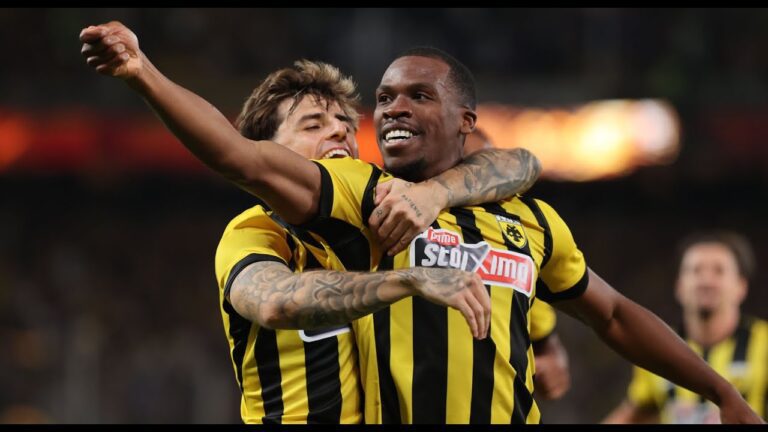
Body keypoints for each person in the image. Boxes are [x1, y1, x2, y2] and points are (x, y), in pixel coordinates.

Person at [80, 22, 762, 424]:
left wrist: (719, 391)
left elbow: (610, 312)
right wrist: (144, 74)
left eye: (416, 95)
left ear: (465, 121)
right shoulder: (362, 199)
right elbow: (239, 160)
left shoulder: (530, 221)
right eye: (384, 98)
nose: (390, 109)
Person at [80, 23, 541, 424]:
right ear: (272, 150)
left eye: (344, 123)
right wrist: (143, 73)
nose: (339, 130)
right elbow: (275, 303)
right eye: (313, 124)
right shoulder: (255, 232)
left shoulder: (381, 208)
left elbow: (518, 162)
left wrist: (437, 192)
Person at [604, 231, 768, 424]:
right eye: (696, 270)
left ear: (741, 286)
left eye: (719, 271)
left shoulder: (763, 343)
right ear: (679, 286)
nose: (706, 281)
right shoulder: (656, 346)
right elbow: (635, 412)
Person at [465, 129, 571, 401]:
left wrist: (552, 362)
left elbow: (549, 348)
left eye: (490, 166)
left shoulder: (513, 256)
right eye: (467, 165)